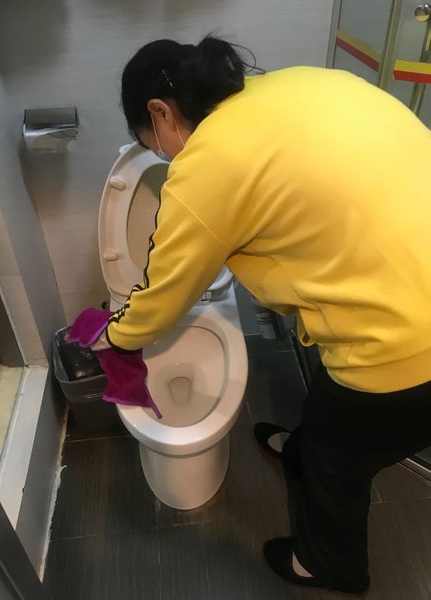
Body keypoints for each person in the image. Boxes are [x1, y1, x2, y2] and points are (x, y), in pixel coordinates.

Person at [96, 35, 431, 594]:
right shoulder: (300, 82)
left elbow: (163, 295)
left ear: (161, 113)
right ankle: (302, 449)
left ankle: (330, 566)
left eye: (158, 148)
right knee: (331, 415)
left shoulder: (207, 163)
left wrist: (114, 337)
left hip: (404, 345)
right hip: (410, 289)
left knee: (339, 460)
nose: (170, 160)